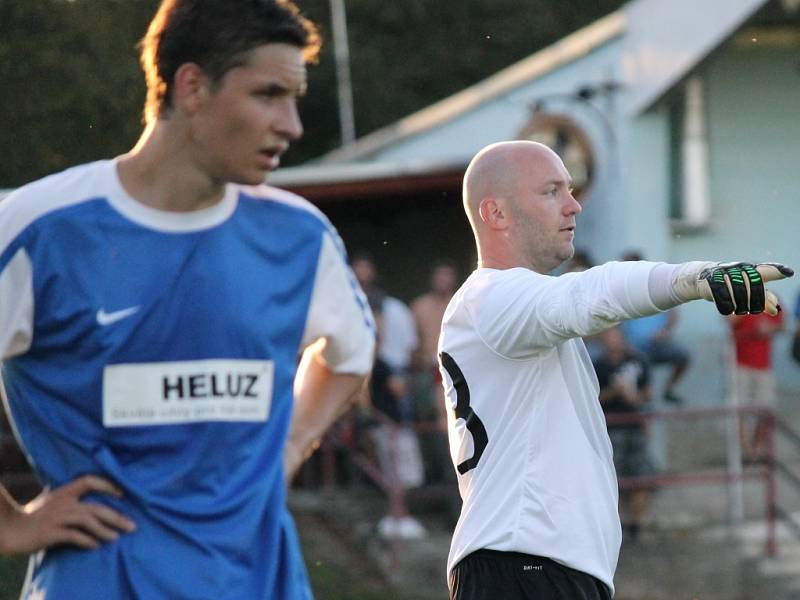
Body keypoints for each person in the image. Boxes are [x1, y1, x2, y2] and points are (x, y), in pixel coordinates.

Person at [0, 1, 375, 598]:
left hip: (262, 580)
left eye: (294, 98)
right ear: (193, 86)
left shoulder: (299, 237)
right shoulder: (40, 228)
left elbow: (350, 354)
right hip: (101, 578)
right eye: (269, 94)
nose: (292, 125)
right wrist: (11, 522)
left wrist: (290, 448)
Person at [438, 140, 792, 600]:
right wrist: (695, 279)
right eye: (551, 192)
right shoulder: (491, 298)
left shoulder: (504, 306)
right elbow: (588, 294)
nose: (573, 205)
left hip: (532, 565)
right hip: (524, 564)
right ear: (496, 214)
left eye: (569, 189)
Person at [594, 326, 654, 543]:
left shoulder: (638, 361)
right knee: (612, 481)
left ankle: (636, 526)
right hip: (610, 431)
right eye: (607, 336)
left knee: (640, 478)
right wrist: (614, 392)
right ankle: (615, 528)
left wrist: (634, 398)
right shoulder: (597, 366)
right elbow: (591, 399)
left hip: (635, 427)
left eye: (614, 335)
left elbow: (647, 394)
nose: (611, 340)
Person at [620, 251, 690, 405]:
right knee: (642, 369)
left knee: (683, 355)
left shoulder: (654, 286)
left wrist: (664, 331)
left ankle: (669, 389)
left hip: (656, 343)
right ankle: (646, 403)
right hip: (633, 348)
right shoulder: (619, 291)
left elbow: (673, 312)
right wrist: (624, 345)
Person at [729, 308, 784, 462]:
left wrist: (770, 327)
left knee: (766, 408)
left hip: (763, 365)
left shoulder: (772, 299)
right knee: (739, 409)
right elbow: (730, 320)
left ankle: (755, 449)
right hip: (739, 364)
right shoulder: (736, 300)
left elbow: (782, 326)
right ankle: (746, 451)